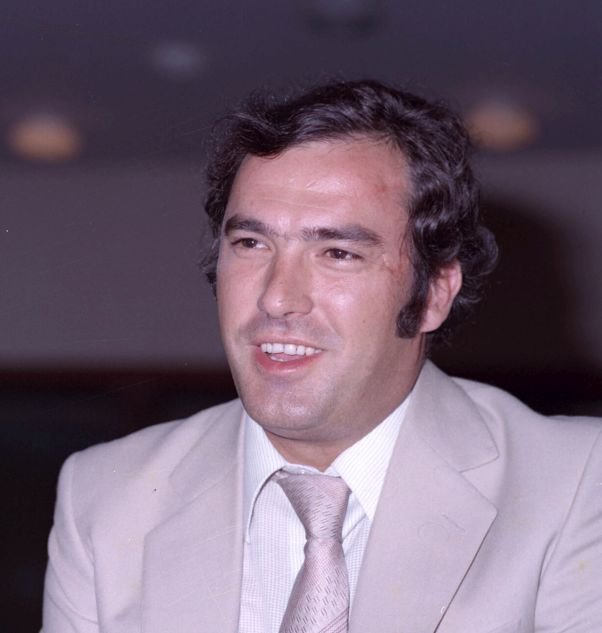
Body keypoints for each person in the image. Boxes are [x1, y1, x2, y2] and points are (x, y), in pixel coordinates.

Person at [42, 80, 602, 633]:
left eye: (337, 253)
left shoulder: (574, 484)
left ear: (434, 293)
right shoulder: (105, 495)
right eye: (251, 244)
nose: (276, 298)